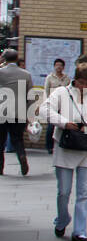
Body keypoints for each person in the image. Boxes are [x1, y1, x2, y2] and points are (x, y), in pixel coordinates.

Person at [45, 63, 87, 241]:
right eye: (81, 82)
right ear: (75, 79)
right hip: (65, 147)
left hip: (86, 148)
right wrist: (64, 123)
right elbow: (45, 111)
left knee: (84, 192)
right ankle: (62, 220)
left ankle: (80, 231)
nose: (83, 87)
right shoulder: (61, 93)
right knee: (64, 191)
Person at [0, 48, 36, 176]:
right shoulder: (26, 74)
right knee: (18, 139)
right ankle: (21, 156)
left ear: (4, 58)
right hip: (19, 112)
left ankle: (0, 168)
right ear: (16, 59)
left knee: (1, 141)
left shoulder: (1, 72)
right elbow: (30, 96)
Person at [43, 58, 70, 154]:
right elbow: (46, 91)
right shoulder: (50, 77)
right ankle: (49, 146)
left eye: (60, 65)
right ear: (54, 66)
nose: (58, 67)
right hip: (53, 104)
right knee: (51, 126)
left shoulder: (66, 78)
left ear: (63, 67)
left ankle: (61, 145)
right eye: (57, 65)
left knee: (63, 125)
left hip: (63, 104)